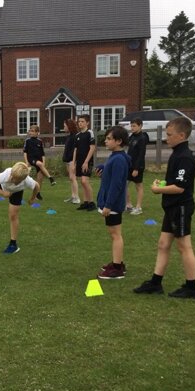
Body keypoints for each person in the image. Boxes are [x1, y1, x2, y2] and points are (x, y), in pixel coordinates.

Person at [133, 116, 195, 299]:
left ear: (181, 135)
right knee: (163, 244)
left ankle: (192, 287)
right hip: (171, 208)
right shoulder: (176, 154)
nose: (166, 138)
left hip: (181, 208)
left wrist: (158, 189)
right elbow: (175, 181)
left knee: (184, 246)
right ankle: (155, 283)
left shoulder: (185, 157)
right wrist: (163, 184)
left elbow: (180, 187)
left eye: (169, 135)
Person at [0, 162, 40, 254]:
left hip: (16, 192)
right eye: (12, 176)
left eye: (15, 179)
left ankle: (13, 244)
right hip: (2, 185)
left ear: (22, 179)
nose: (12, 179)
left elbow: (37, 187)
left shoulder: (27, 181)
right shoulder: (7, 174)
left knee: (13, 216)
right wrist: (2, 193)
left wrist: (32, 198)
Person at [95, 126, 131, 280]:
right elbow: (113, 175)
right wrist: (104, 170)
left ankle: (117, 268)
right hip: (111, 203)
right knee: (114, 234)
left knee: (115, 234)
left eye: (109, 139)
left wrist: (108, 205)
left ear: (119, 141)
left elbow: (117, 184)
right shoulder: (115, 156)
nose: (106, 141)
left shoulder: (119, 159)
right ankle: (118, 263)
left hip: (113, 205)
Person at [72, 115, 97, 211]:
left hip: (87, 161)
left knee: (84, 181)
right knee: (82, 182)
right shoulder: (77, 135)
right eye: (79, 121)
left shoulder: (90, 133)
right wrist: (73, 163)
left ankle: (92, 203)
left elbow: (92, 148)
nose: (80, 123)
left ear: (87, 123)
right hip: (79, 162)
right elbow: (75, 150)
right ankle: (85, 202)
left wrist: (86, 162)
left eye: (82, 121)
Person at [23, 125, 54, 200]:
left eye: (33, 131)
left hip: (39, 160)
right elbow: (25, 152)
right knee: (38, 164)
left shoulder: (40, 141)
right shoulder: (27, 141)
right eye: (30, 131)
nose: (31, 132)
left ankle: (37, 193)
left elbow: (42, 154)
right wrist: (26, 162)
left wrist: (44, 163)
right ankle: (50, 178)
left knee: (40, 178)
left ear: (37, 133)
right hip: (31, 159)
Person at [125, 117, 148, 215]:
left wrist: (136, 168)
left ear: (140, 126)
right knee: (124, 184)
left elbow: (141, 154)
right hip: (129, 165)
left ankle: (138, 207)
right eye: (131, 126)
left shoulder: (142, 138)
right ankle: (128, 205)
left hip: (138, 166)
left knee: (138, 186)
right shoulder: (132, 136)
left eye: (134, 126)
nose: (132, 128)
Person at [62, 118, 80, 204]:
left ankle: (77, 197)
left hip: (72, 160)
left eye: (65, 126)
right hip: (68, 160)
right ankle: (73, 196)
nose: (64, 128)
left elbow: (75, 150)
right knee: (71, 178)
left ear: (69, 126)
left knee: (73, 178)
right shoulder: (69, 136)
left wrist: (73, 161)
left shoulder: (75, 136)